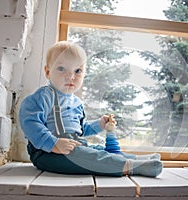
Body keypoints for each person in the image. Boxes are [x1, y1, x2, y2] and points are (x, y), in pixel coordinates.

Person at [19, 41, 163, 177]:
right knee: (92, 157)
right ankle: (133, 166)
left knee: (98, 150)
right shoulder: (44, 96)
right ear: (48, 72)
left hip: (75, 145)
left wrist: (99, 124)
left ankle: (138, 159)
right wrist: (53, 143)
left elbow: (81, 129)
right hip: (48, 153)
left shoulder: (76, 103)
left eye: (78, 71)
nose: (70, 76)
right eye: (62, 69)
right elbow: (30, 122)